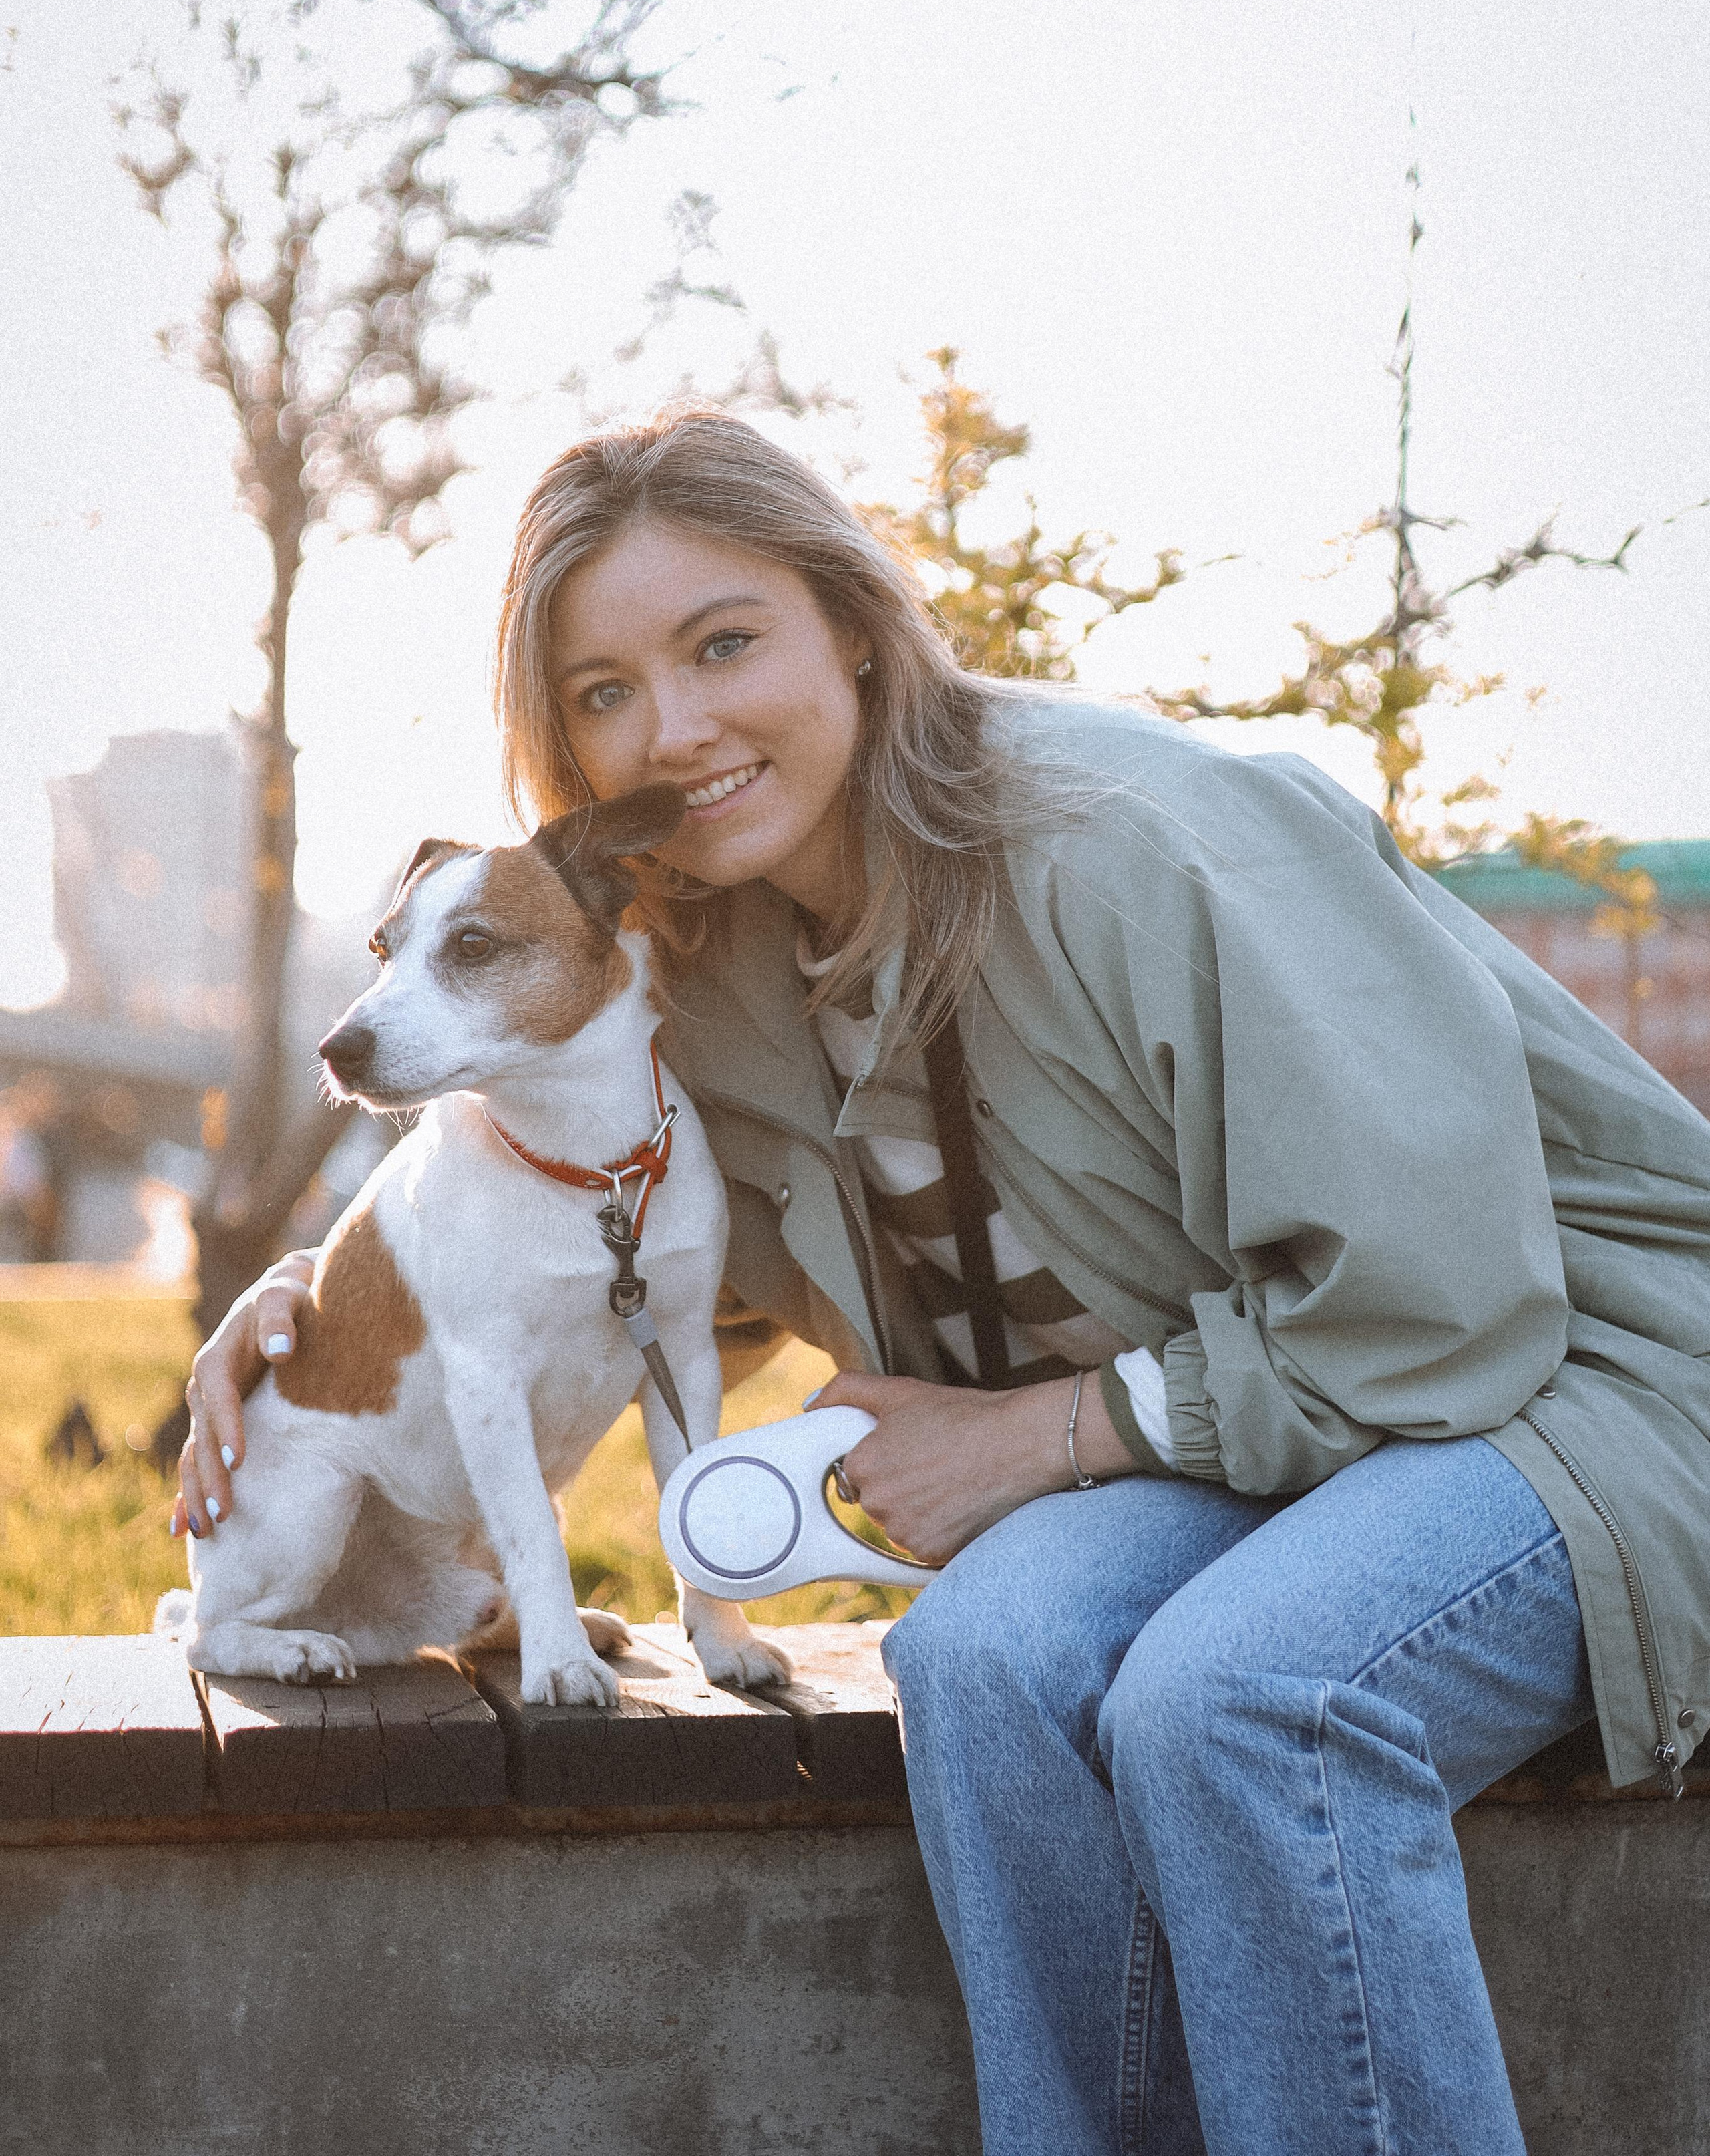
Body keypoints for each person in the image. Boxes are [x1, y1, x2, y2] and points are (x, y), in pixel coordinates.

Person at [175, 412, 1710, 2156]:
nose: (675, 727)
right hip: (1261, 1428)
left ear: (850, 618)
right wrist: (321, 1304)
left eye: (724, 641)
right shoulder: (711, 954)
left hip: (1579, 1385)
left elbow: (1443, 1303)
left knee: (1247, 1701)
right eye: (603, 690)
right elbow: (648, 1255)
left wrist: (1049, 1432)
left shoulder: (1160, 841)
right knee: (975, 1652)